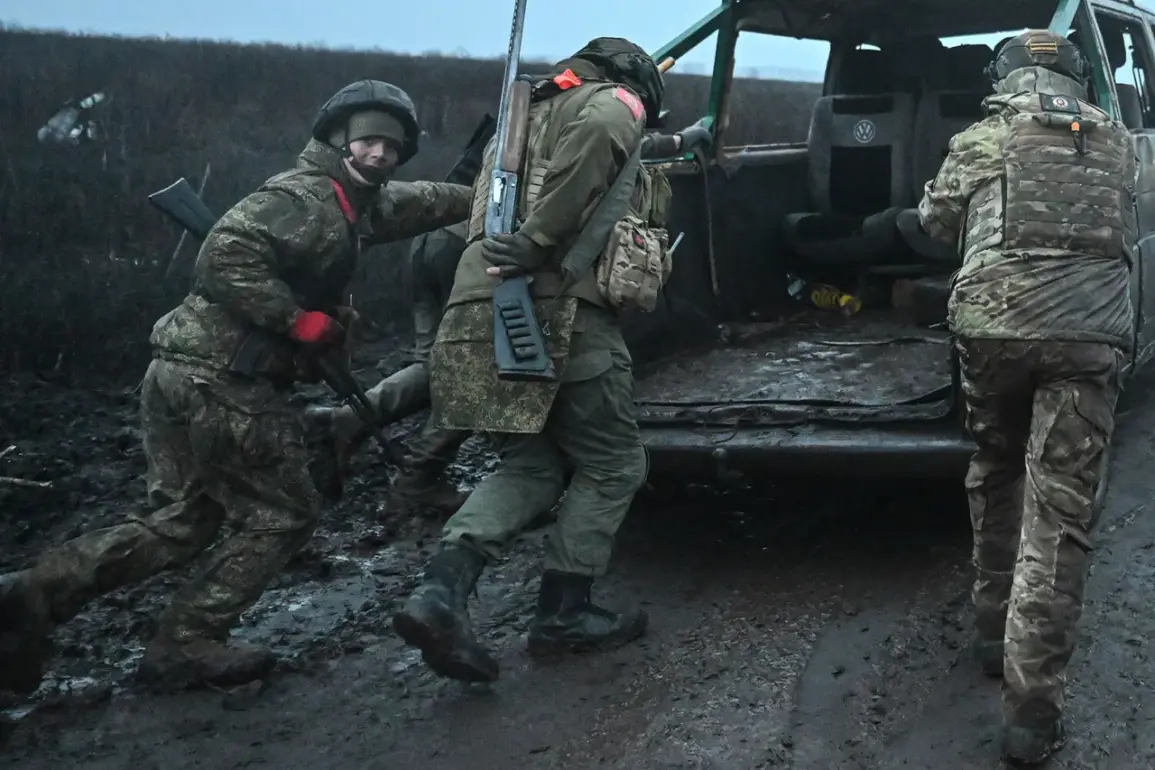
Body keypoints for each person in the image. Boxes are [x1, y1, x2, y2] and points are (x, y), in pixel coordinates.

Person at [0, 79, 473, 695]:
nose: (379, 154)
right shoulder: (302, 199)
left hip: (179, 370)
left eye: (392, 146)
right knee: (285, 514)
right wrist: (296, 321)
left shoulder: (354, 201)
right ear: (338, 139)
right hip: (225, 382)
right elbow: (223, 256)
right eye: (367, 141)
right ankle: (186, 642)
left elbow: (424, 201)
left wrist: (491, 195)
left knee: (183, 520)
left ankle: (31, 594)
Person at [390, 37, 712, 684]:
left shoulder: (525, 119)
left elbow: (588, 159)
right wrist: (540, 241)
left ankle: (439, 592)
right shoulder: (613, 102)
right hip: (556, 309)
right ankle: (564, 612)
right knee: (613, 462)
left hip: (473, 310)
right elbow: (604, 135)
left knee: (531, 464)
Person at [917, 30, 1136, 764]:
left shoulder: (983, 137)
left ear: (1000, 78)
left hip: (994, 333)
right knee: (1059, 515)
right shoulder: (1119, 143)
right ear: (1079, 81)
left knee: (995, 466)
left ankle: (990, 631)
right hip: (1088, 340)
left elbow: (934, 223)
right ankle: (1031, 718)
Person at [304, 117, 498, 516]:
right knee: (481, 367)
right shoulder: (554, 119)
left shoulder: (516, 115)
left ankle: (347, 422)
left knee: (433, 361)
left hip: (432, 239)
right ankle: (418, 480)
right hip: (469, 245)